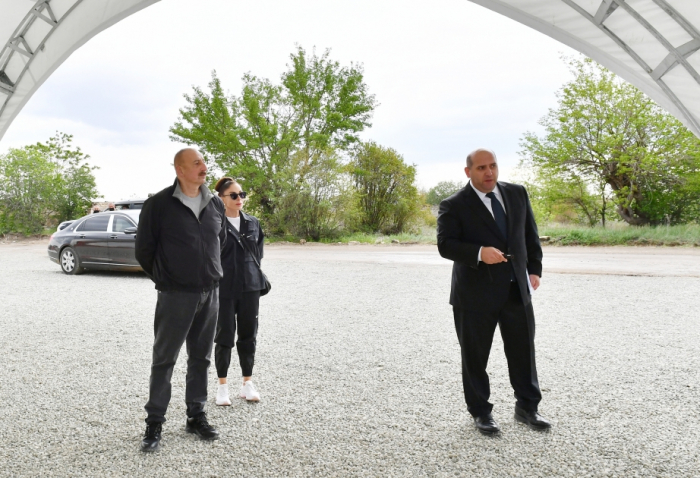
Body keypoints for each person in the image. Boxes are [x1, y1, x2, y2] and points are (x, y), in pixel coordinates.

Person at [436, 148, 551, 435]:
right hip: (474, 295)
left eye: (493, 166)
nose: (489, 172)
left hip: (516, 290)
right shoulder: (454, 204)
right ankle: (481, 412)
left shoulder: (517, 193)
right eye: (481, 168)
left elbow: (529, 234)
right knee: (475, 356)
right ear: (468, 172)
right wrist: (478, 252)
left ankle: (527, 407)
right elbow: (445, 245)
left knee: (524, 351)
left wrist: (534, 269)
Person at [135, 148, 227, 452]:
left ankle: (195, 415)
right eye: (197, 163)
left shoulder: (215, 203)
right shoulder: (159, 205)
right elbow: (144, 251)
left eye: (204, 161)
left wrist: (210, 274)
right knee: (164, 360)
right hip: (175, 294)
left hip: (210, 292)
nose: (204, 167)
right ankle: (155, 422)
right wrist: (167, 279)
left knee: (201, 358)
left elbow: (219, 240)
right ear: (180, 170)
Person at [212, 177, 266, 406]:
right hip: (224, 288)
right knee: (224, 337)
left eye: (242, 194)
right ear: (221, 198)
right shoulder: (214, 223)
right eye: (233, 195)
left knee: (248, 335)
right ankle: (222, 386)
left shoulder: (253, 222)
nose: (239, 199)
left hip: (250, 287)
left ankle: (247, 382)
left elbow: (259, 252)